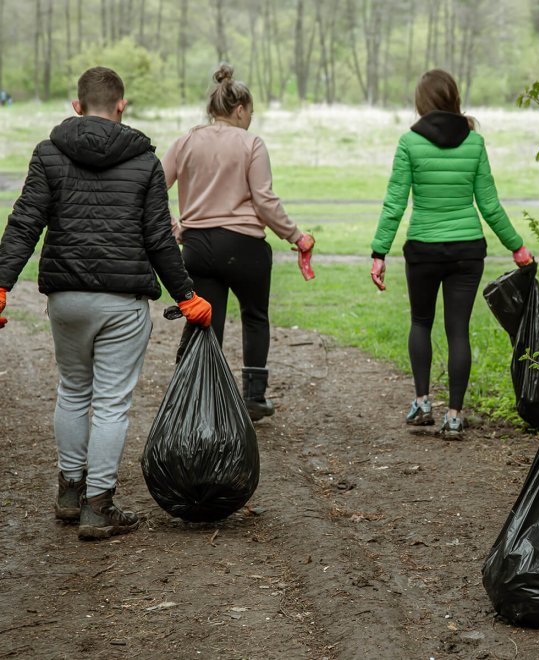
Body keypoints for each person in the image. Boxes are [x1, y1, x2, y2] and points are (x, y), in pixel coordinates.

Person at [0, 67, 212, 541]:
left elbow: (24, 224)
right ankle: (100, 506)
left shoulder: (48, 153)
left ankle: (69, 494)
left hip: (67, 299)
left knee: (73, 391)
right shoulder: (144, 161)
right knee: (112, 404)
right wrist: (188, 296)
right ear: (122, 106)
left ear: (76, 106)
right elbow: (159, 239)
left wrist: (1, 283)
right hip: (122, 302)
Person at [370, 69, 533, 438]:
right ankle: (455, 416)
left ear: (421, 101)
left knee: (421, 322)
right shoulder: (474, 143)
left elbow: (395, 203)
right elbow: (489, 205)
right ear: (454, 98)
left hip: (423, 249)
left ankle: (423, 403)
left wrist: (380, 252)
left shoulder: (409, 143)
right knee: (458, 330)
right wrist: (517, 246)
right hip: (467, 250)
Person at [161, 63, 315, 422]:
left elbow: (153, 187)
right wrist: (295, 235)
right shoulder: (251, 143)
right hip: (246, 247)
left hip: (198, 246)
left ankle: (201, 396)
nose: (250, 119)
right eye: (251, 113)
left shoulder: (185, 142)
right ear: (240, 109)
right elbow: (264, 199)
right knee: (255, 317)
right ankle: (254, 399)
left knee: (205, 321)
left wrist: (174, 226)